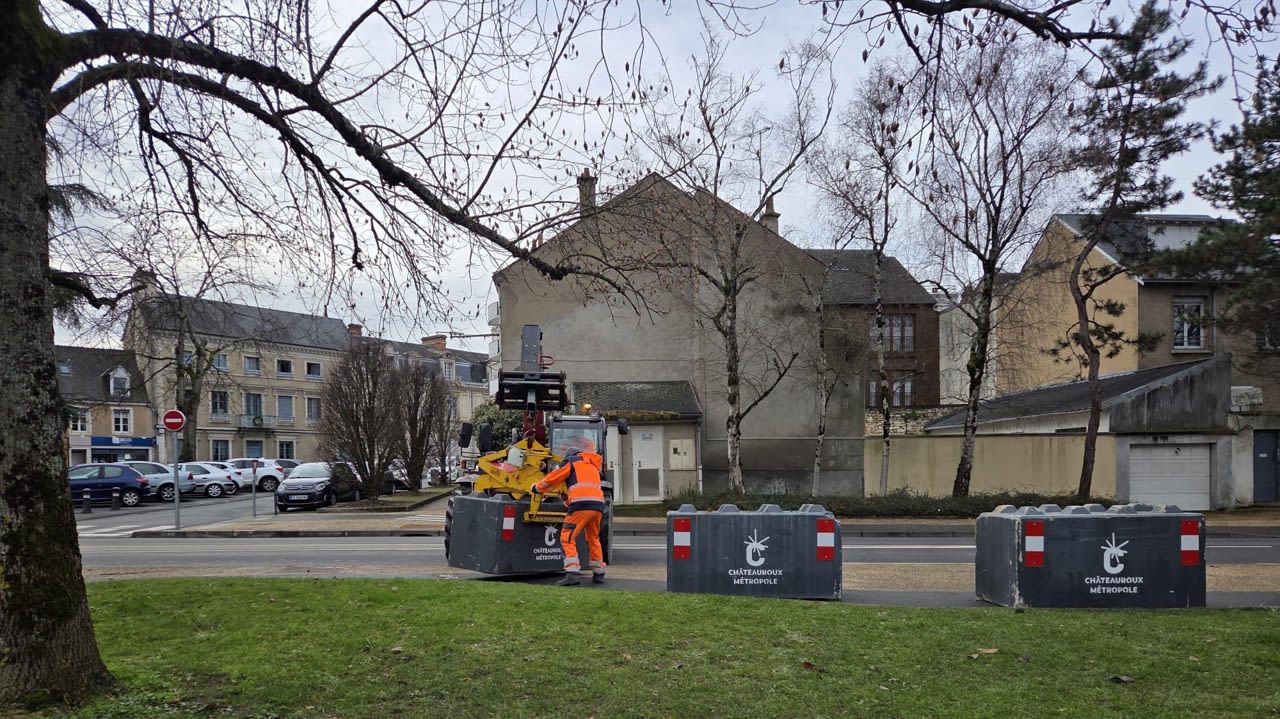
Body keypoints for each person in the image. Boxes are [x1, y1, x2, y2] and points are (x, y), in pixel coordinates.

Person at [532, 437, 606, 586]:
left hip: (580, 505)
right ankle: (599, 572)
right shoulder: (592, 466)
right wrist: (566, 498)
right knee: (593, 538)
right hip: (598, 506)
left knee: (567, 537)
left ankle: (572, 573)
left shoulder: (570, 462)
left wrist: (537, 488)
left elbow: (552, 479)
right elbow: (580, 487)